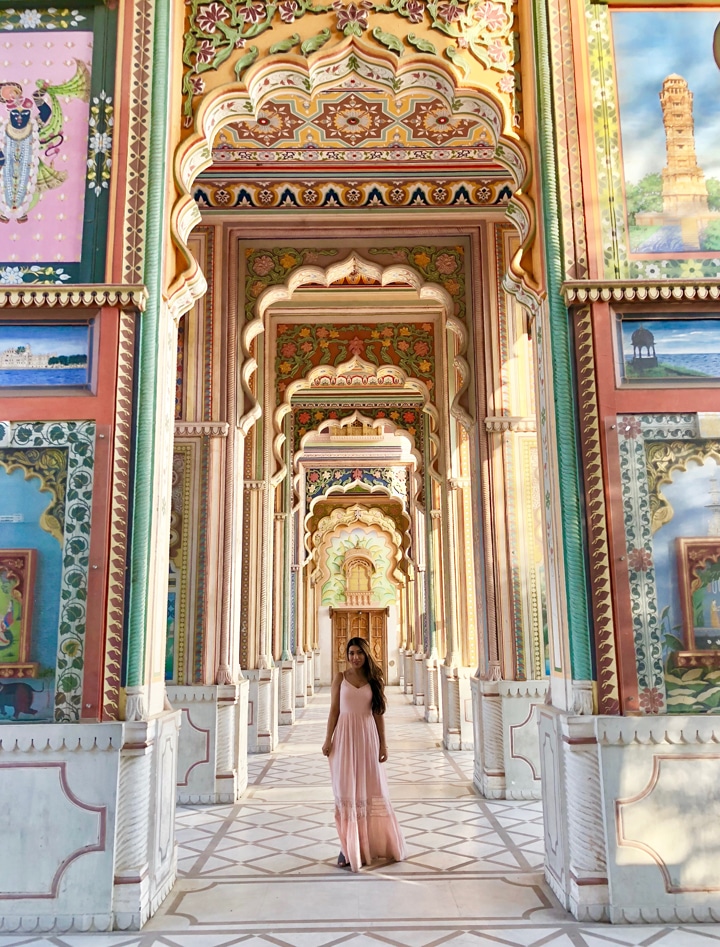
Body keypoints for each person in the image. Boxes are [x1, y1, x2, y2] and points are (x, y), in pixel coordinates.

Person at [322, 636, 406, 871]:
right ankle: (347, 846)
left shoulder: (374, 679)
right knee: (346, 789)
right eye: (351, 653)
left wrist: (383, 744)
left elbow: (378, 714)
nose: (355, 657)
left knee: (371, 788)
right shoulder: (340, 678)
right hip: (345, 740)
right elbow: (334, 711)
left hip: (367, 739)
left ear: (366, 654)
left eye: (359, 652)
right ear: (346, 655)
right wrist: (328, 739)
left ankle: (371, 843)